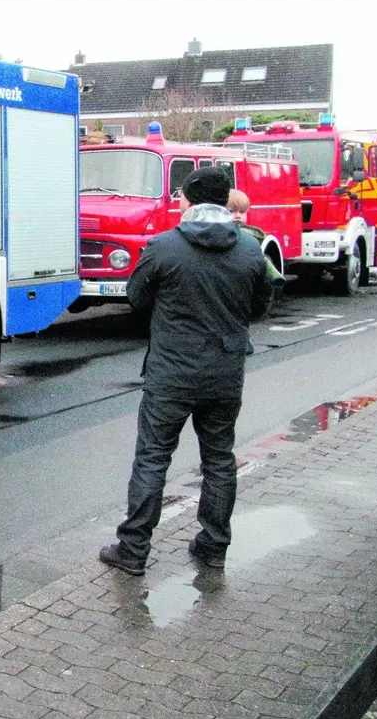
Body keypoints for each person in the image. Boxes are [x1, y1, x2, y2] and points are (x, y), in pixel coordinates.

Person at [98, 167, 273, 576]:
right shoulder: (251, 251)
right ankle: (213, 545)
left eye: (180, 196)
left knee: (152, 460)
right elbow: (260, 306)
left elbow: (137, 298)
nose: (177, 201)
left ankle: (133, 550)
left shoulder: (163, 247)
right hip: (225, 374)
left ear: (190, 200)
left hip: (171, 374)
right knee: (218, 460)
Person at [225, 189, 284, 287]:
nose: (238, 216)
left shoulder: (251, 234)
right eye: (231, 211)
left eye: (242, 212)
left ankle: (274, 274)